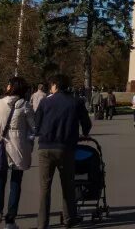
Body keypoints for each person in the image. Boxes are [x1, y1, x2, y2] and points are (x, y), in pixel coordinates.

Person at [35, 74, 91, 229]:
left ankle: (42, 223)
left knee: (45, 188)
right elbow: (86, 123)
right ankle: (69, 218)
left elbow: (37, 124)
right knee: (68, 185)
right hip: (66, 148)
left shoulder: (45, 102)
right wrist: (84, 133)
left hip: (45, 147)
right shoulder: (76, 102)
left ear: (55, 85)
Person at [0, 76, 34, 229]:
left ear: (11, 87)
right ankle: (10, 220)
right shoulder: (25, 106)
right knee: (15, 182)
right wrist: (29, 142)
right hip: (18, 146)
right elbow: (33, 128)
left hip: (0, 146)